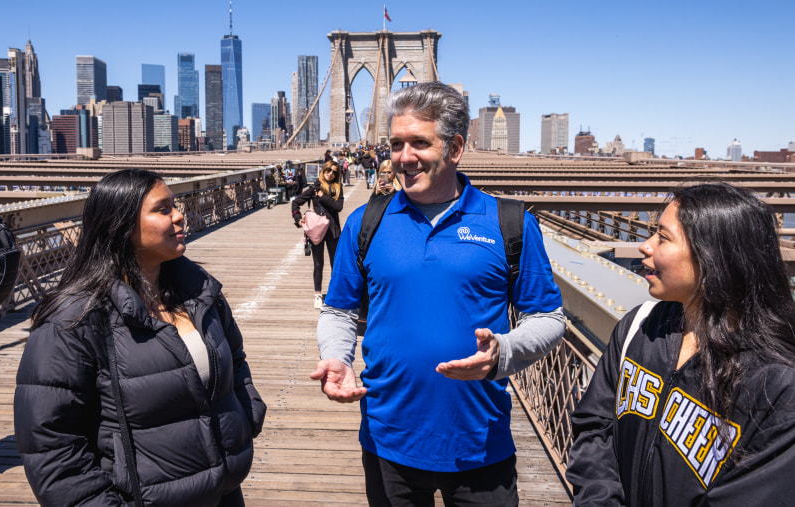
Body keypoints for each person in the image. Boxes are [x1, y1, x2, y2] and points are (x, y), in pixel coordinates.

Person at [310, 81, 565, 506]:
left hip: (480, 442)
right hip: (388, 438)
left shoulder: (509, 222)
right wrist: (337, 357)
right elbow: (339, 311)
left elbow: (549, 319)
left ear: (456, 147)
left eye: (419, 143)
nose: (403, 158)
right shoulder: (365, 222)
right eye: (395, 144)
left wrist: (504, 351)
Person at [13, 169, 266, 506]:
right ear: (121, 226)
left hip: (224, 493)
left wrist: (247, 417)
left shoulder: (199, 293)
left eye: (176, 205)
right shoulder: (74, 321)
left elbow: (234, 358)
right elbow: (51, 444)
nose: (180, 215)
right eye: (163, 209)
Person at [566, 182, 795, 506]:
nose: (645, 247)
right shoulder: (638, 327)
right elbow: (593, 426)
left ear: (714, 257)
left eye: (663, 237)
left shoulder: (778, 386)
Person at [291, 160, 344, 310]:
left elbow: (338, 207)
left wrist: (322, 196)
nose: (330, 174)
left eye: (334, 172)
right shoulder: (314, 188)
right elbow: (295, 203)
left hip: (333, 231)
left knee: (336, 264)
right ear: (323, 170)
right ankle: (318, 294)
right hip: (317, 231)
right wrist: (298, 219)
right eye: (328, 170)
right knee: (318, 264)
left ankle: (334, 293)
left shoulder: (338, 188)